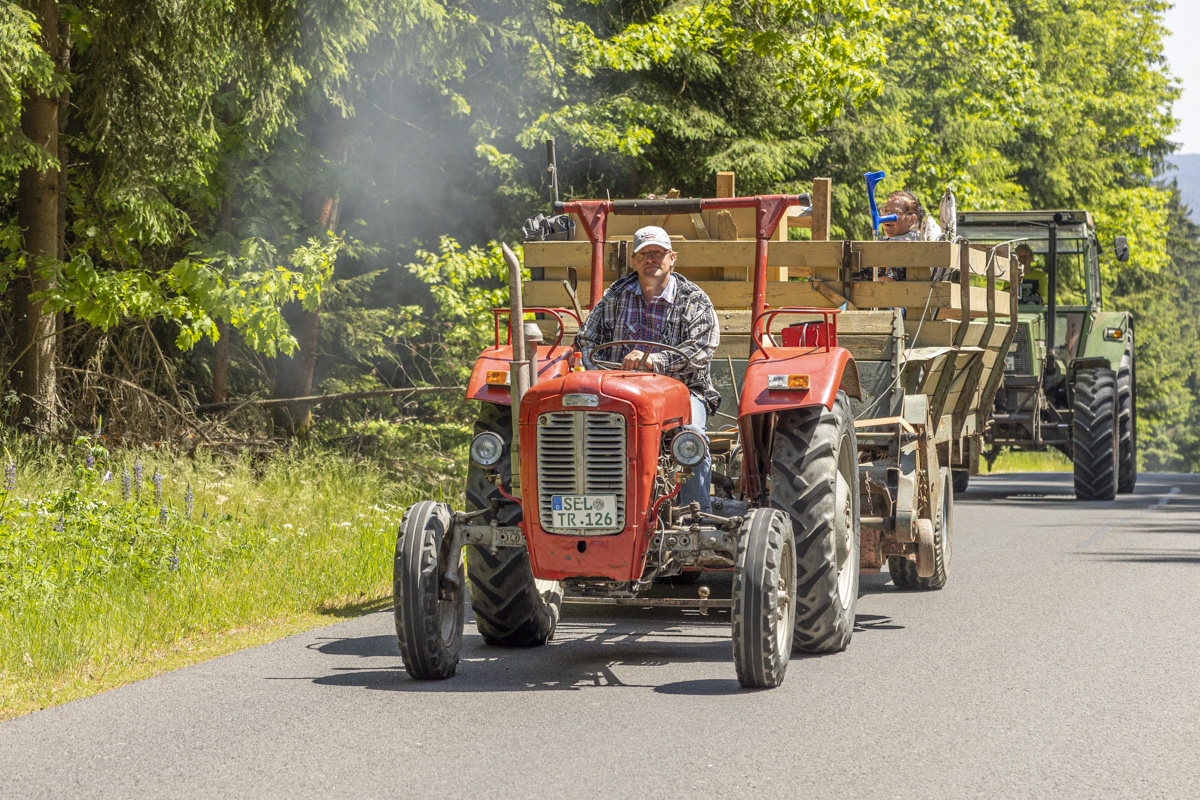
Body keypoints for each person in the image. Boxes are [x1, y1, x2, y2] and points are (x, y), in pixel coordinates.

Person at [574, 225, 720, 513]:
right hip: (620, 390)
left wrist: (656, 361)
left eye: (658, 253)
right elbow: (586, 339)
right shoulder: (615, 295)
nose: (651, 259)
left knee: (691, 437)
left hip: (683, 390)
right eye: (643, 254)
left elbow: (703, 347)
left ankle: (697, 520)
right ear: (634, 261)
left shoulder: (694, 299)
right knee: (583, 432)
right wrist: (601, 375)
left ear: (672, 258)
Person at [861, 190, 944, 281]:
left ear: (912, 219)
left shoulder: (893, 244)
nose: (886, 216)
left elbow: (885, 282)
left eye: (894, 213)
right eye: (885, 211)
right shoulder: (919, 238)